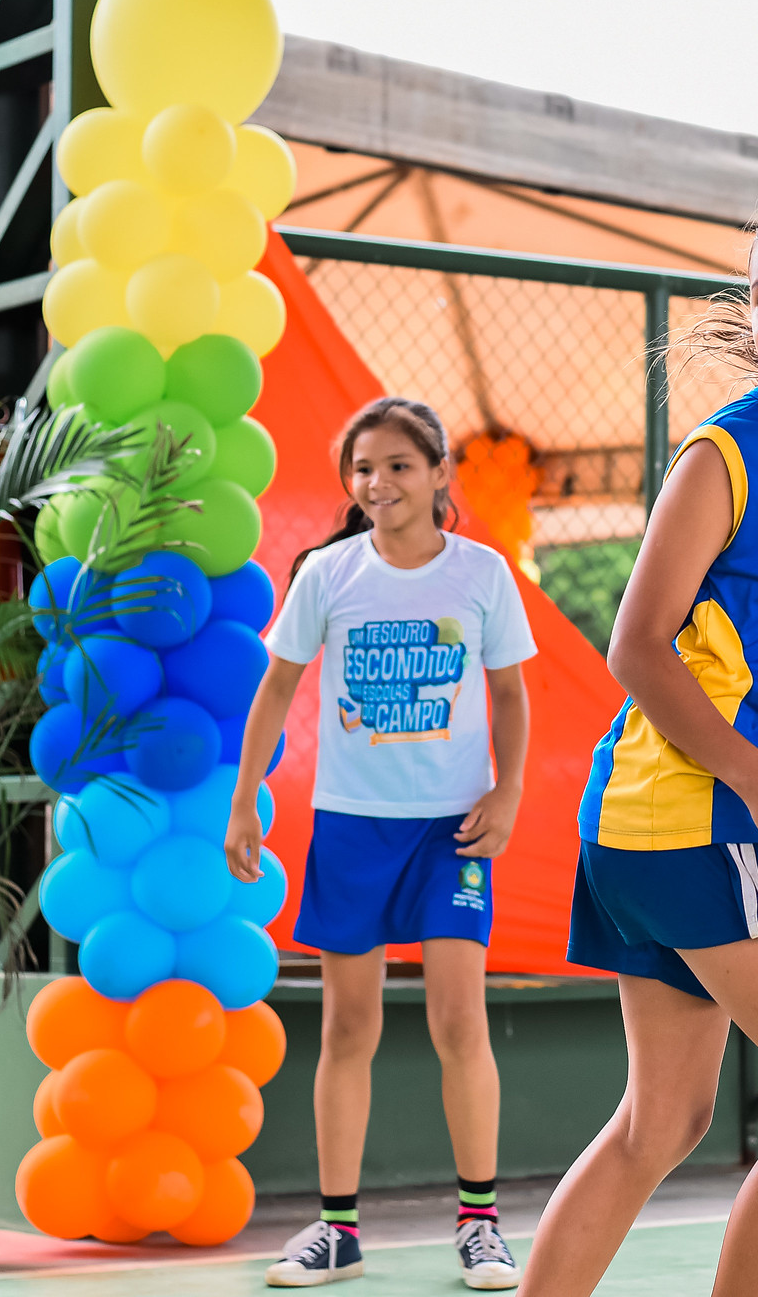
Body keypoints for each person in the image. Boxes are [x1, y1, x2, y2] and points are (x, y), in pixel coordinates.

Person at [523, 198, 758, 1297]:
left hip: (667, 815)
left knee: (663, 1118)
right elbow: (636, 647)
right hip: (694, 814)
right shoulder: (725, 452)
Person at [224, 397, 536, 1290]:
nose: (378, 482)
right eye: (363, 467)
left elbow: (509, 695)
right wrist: (244, 801)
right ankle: (337, 1232)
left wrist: (508, 789)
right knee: (348, 1026)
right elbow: (276, 688)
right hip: (351, 827)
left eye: (398, 464)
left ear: (439, 474)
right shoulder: (328, 573)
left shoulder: (482, 573)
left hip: (451, 831)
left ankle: (480, 1225)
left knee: (458, 1021)